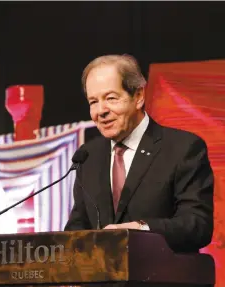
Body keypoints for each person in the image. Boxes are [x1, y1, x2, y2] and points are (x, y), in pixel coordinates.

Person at [64, 54, 214, 253]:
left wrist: (141, 230)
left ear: (139, 96)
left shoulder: (183, 148)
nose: (101, 111)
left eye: (110, 98)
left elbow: (197, 225)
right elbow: (77, 228)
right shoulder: (88, 156)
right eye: (93, 102)